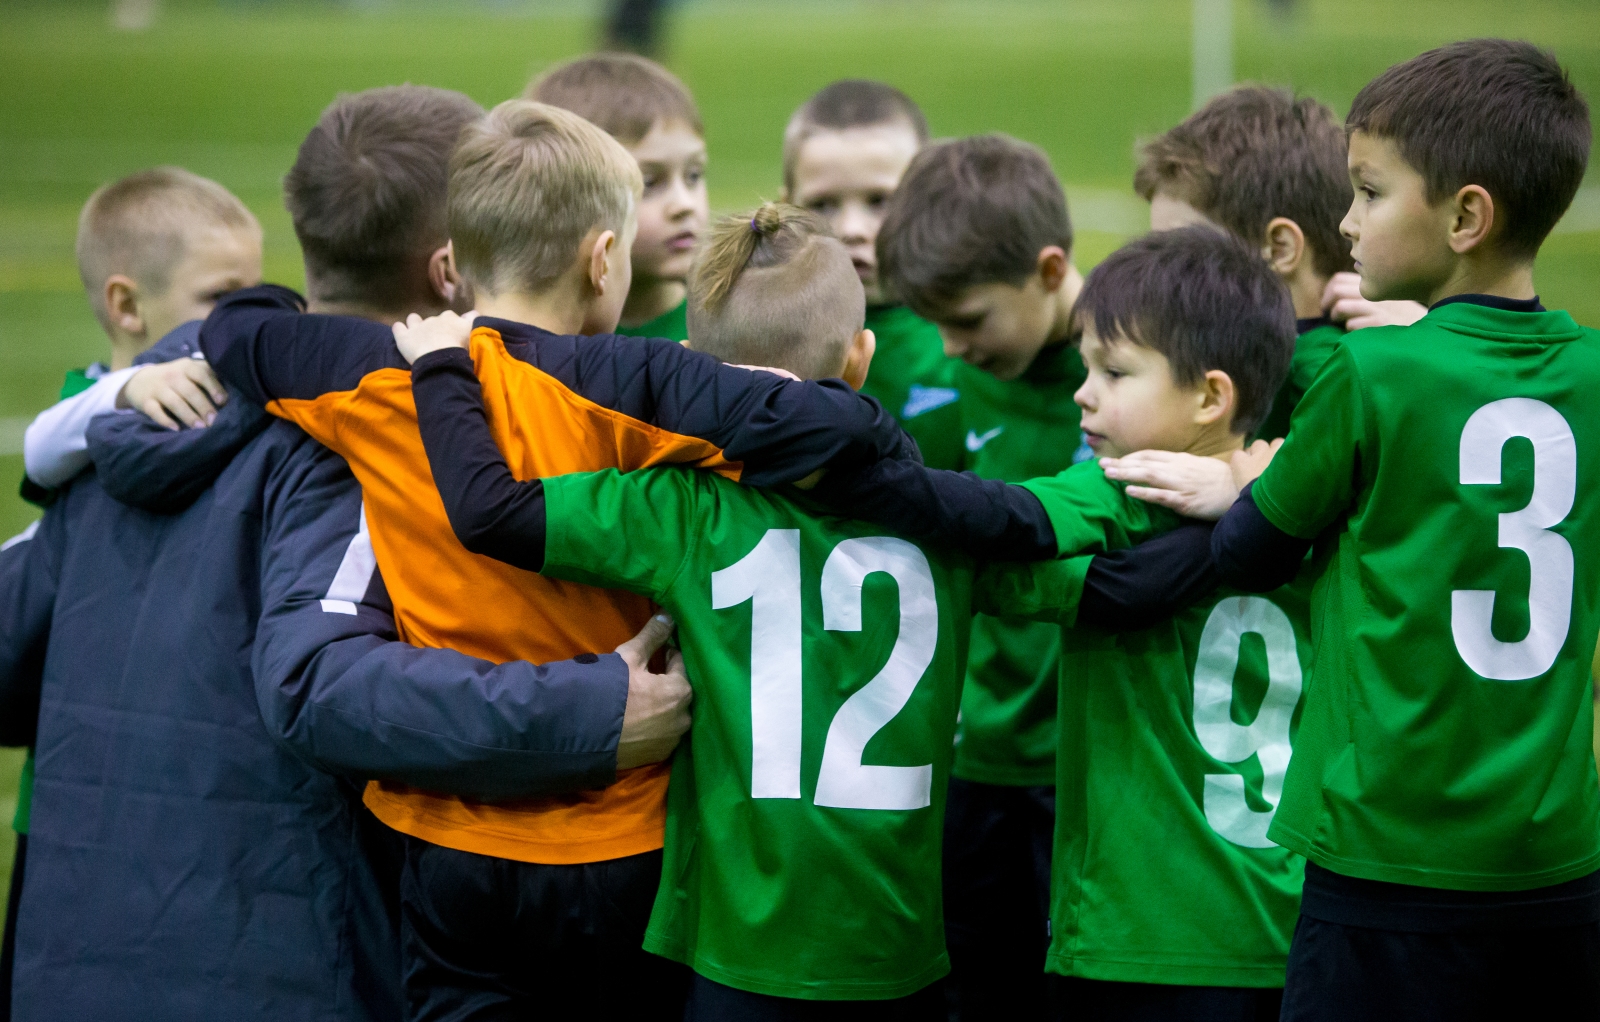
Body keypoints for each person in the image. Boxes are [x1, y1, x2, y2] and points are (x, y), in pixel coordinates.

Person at [199, 100, 916, 1020]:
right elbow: (817, 431)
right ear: (603, 259)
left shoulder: (367, 374)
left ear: (456, 267)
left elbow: (240, 334)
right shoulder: (645, 392)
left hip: (447, 841)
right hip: (623, 835)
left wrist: (253, 315)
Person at [0, 85, 692, 1022]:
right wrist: (597, 710)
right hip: (277, 980)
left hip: (62, 970)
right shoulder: (383, 436)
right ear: (452, 270)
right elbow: (319, 685)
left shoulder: (130, 411)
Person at [1119, 39, 1600, 1020]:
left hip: (1385, 861)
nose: (1345, 221)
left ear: (1465, 218)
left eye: (1370, 193)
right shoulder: (1590, 372)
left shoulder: (1371, 376)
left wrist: (1245, 478)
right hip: (1557, 866)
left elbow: (1248, 550)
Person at [808, 225, 1304, 1019]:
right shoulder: (1311, 501)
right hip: (1282, 917)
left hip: (1135, 925)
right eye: (1086, 367)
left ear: (1211, 396)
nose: (1084, 393)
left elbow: (1005, 521)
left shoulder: (1120, 492)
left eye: (1115, 372)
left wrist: (850, 477)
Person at [2, 166, 262, 1021]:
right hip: (68, 808)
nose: (243, 320)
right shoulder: (85, 425)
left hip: (195, 801)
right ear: (126, 307)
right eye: (220, 296)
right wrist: (121, 390)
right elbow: (48, 446)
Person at [873, 132, 1091, 1019]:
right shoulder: (940, 381)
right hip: (967, 764)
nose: (950, 346)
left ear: (1049, 271)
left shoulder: (1145, 366)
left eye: (968, 321)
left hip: (1089, 767)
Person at [780, 79, 956, 462]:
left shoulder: (972, 338)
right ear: (786, 210)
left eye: (880, 201)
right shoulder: (764, 336)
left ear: (930, 199)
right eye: (822, 205)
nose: (851, 229)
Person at [528, 51, 707, 341]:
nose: (685, 205)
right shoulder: (539, 337)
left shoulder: (723, 327)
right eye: (649, 182)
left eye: (694, 175)